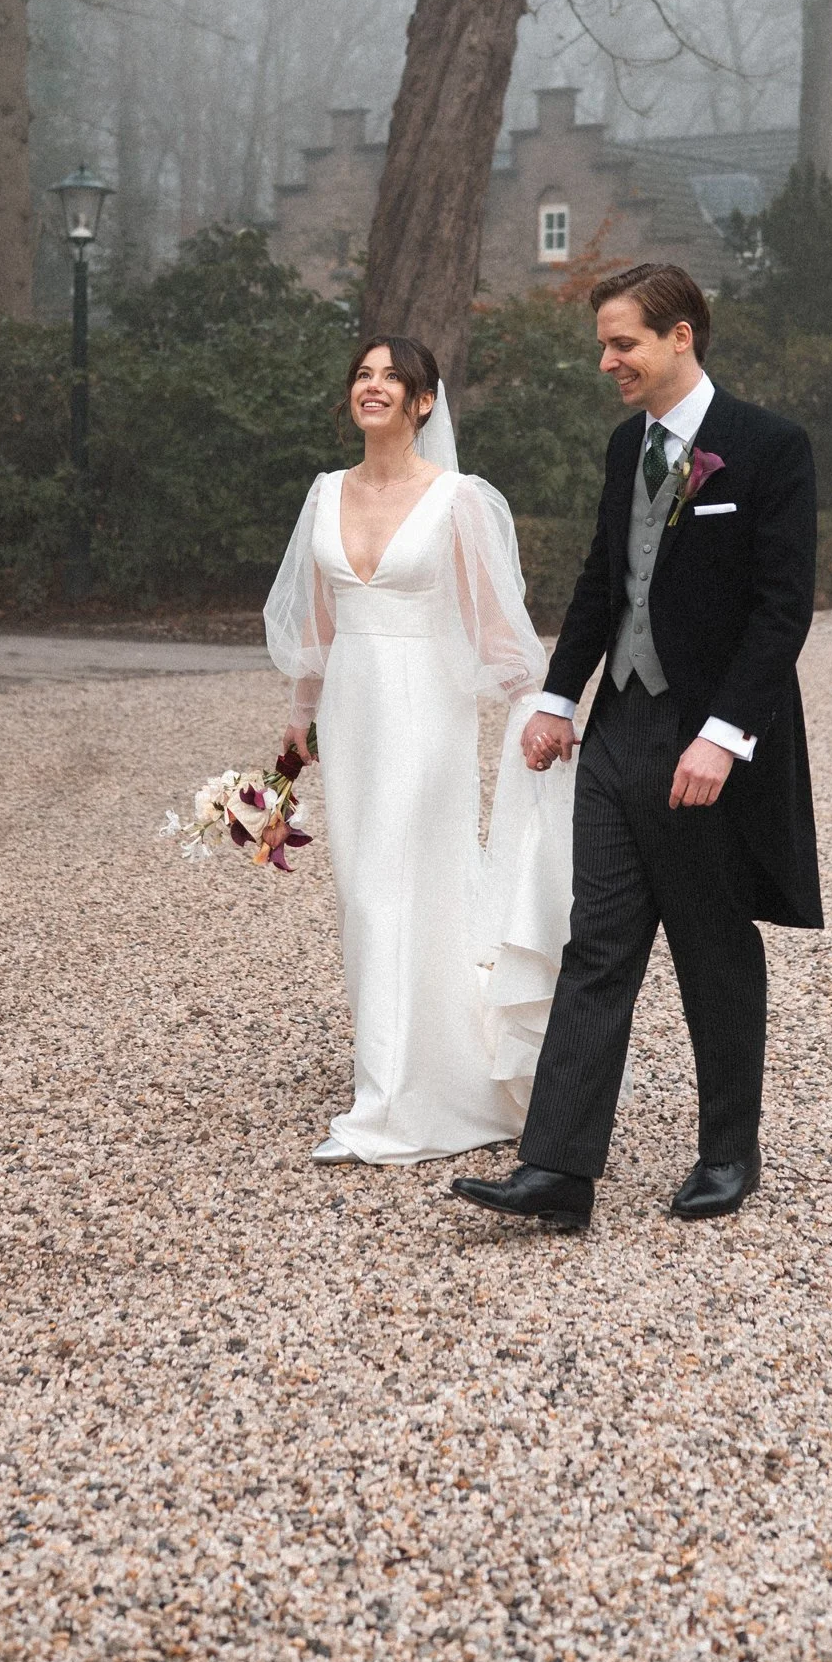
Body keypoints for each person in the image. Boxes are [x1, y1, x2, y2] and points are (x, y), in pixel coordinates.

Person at [451, 261, 819, 1231]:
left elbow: (782, 613)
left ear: (679, 337)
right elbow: (597, 584)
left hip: (704, 746)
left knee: (711, 948)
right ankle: (558, 1170)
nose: (606, 360)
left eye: (622, 343)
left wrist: (723, 736)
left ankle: (727, 1151)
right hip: (616, 733)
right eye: (603, 345)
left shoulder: (769, 448)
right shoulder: (626, 448)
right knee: (597, 945)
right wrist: (556, 697)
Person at [264, 336, 575, 1164]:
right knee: (363, 891)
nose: (373, 387)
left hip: (424, 716)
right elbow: (318, 620)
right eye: (362, 375)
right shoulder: (325, 492)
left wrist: (538, 710)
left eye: (390, 377)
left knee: (399, 885)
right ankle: (411, 1067)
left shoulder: (457, 499)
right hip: (353, 711)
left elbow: (494, 624)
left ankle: (395, 1102)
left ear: (423, 402)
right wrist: (300, 715)